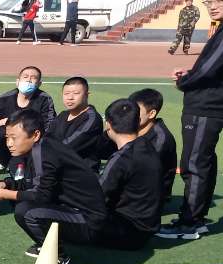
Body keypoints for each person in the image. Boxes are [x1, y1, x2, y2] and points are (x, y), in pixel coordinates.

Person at [0, 110, 107, 264]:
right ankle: (48, 244)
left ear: (35, 135)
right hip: (75, 211)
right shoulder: (41, 146)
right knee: (24, 205)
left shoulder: (45, 152)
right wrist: (5, 184)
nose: (9, 143)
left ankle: (60, 257)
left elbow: (40, 195)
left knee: (26, 212)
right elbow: (31, 183)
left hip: (88, 220)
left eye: (14, 138)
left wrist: (5, 194)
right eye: (7, 138)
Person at [163, 0, 223, 240]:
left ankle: (189, 223)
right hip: (209, 104)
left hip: (206, 106)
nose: (213, 6)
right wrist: (191, 73)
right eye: (209, 2)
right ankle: (196, 218)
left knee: (194, 163)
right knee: (203, 162)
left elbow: (209, 69)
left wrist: (184, 82)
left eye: (218, 1)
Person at [94, 100, 165, 250]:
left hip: (126, 231)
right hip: (145, 229)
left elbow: (98, 196)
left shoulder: (122, 157)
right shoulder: (147, 146)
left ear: (108, 125)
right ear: (138, 122)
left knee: (59, 216)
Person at [0, 65, 55, 171]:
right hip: (11, 139)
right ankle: (5, 162)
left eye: (33, 78)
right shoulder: (4, 98)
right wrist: (8, 123)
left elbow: (49, 126)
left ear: (39, 84)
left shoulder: (44, 99)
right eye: (25, 77)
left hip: (32, 139)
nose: (29, 80)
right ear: (17, 81)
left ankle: (31, 162)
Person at [129, 88, 177, 205]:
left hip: (149, 197)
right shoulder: (132, 128)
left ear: (151, 114)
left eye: (136, 110)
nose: (130, 114)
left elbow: (143, 171)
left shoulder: (161, 139)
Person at [46, 76, 106, 171]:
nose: (70, 98)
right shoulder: (63, 115)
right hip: (59, 167)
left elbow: (70, 145)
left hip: (81, 172)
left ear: (87, 95)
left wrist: (44, 150)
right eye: (66, 94)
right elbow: (48, 137)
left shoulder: (92, 119)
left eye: (76, 93)